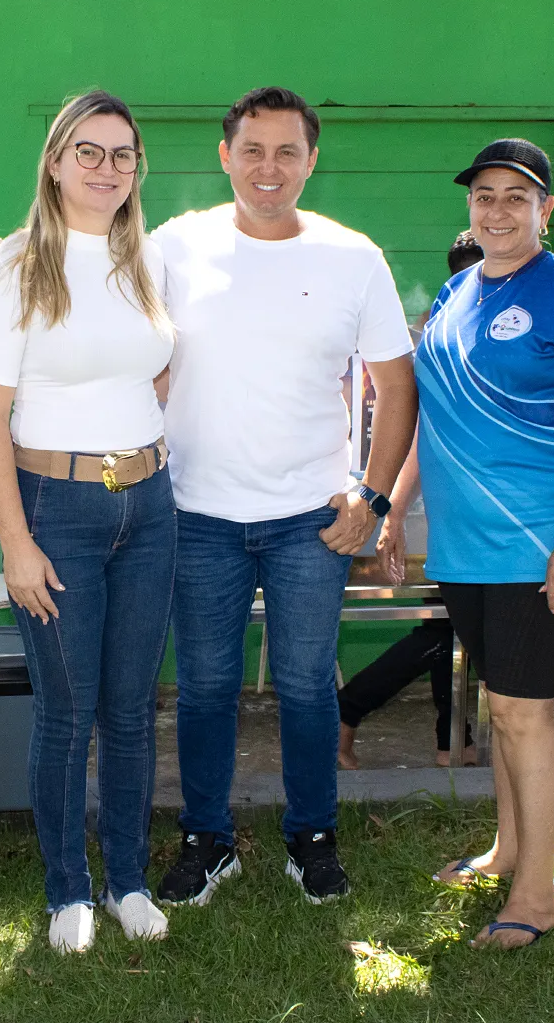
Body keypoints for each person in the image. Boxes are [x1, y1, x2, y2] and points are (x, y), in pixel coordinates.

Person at [153, 87, 419, 907]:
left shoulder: (352, 257)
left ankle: (313, 836)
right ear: (225, 155)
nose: (268, 168)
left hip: (312, 519)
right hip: (198, 514)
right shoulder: (173, 247)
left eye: (287, 152)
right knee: (205, 686)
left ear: (311, 160)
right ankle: (208, 838)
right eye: (253, 150)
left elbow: (396, 387)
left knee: (306, 685)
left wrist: (373, 497)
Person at [383, 139, 554, 948]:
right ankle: (508, 848)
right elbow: (434, 416)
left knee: (526, 711)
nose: (497, 210)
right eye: (484, 195)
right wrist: (394, 506)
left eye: (515, 197)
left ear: (545, 209)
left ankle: (537, 895)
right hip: (466, 547)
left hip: (541, 545)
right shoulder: (455, 292)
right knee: (504, 705)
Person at [0, 91, 176, 954]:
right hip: (56, 511)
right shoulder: (14, 267)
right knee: (66, 710)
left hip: (150, 507)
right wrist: (16, 543)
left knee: (131, 709)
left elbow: (155, 371)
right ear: (54, 162)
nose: (106, 168)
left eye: (122, 154)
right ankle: (68, 889)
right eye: (87, 151)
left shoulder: (147, 258)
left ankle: (128, 878)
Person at [342, 232, 485, 771]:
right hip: (445, 507)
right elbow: (424, 432)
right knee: (449, 626)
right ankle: (354, 710)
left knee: (451, 627)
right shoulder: (443, 336)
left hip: (475, 509)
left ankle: (452, 740)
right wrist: (393, 509)